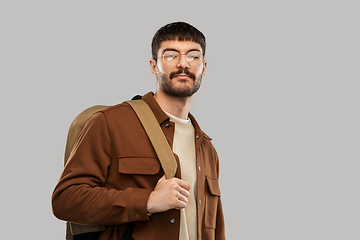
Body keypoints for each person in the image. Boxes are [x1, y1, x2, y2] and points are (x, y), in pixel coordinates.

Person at [52, 22, 225, 240]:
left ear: (204, 67)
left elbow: (216, 230)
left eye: (193, 56)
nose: (183, 64)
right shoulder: (111, 123)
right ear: (154, 66)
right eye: (171, 55)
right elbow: (65, 200)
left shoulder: (207, 149)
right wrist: (148, 201)